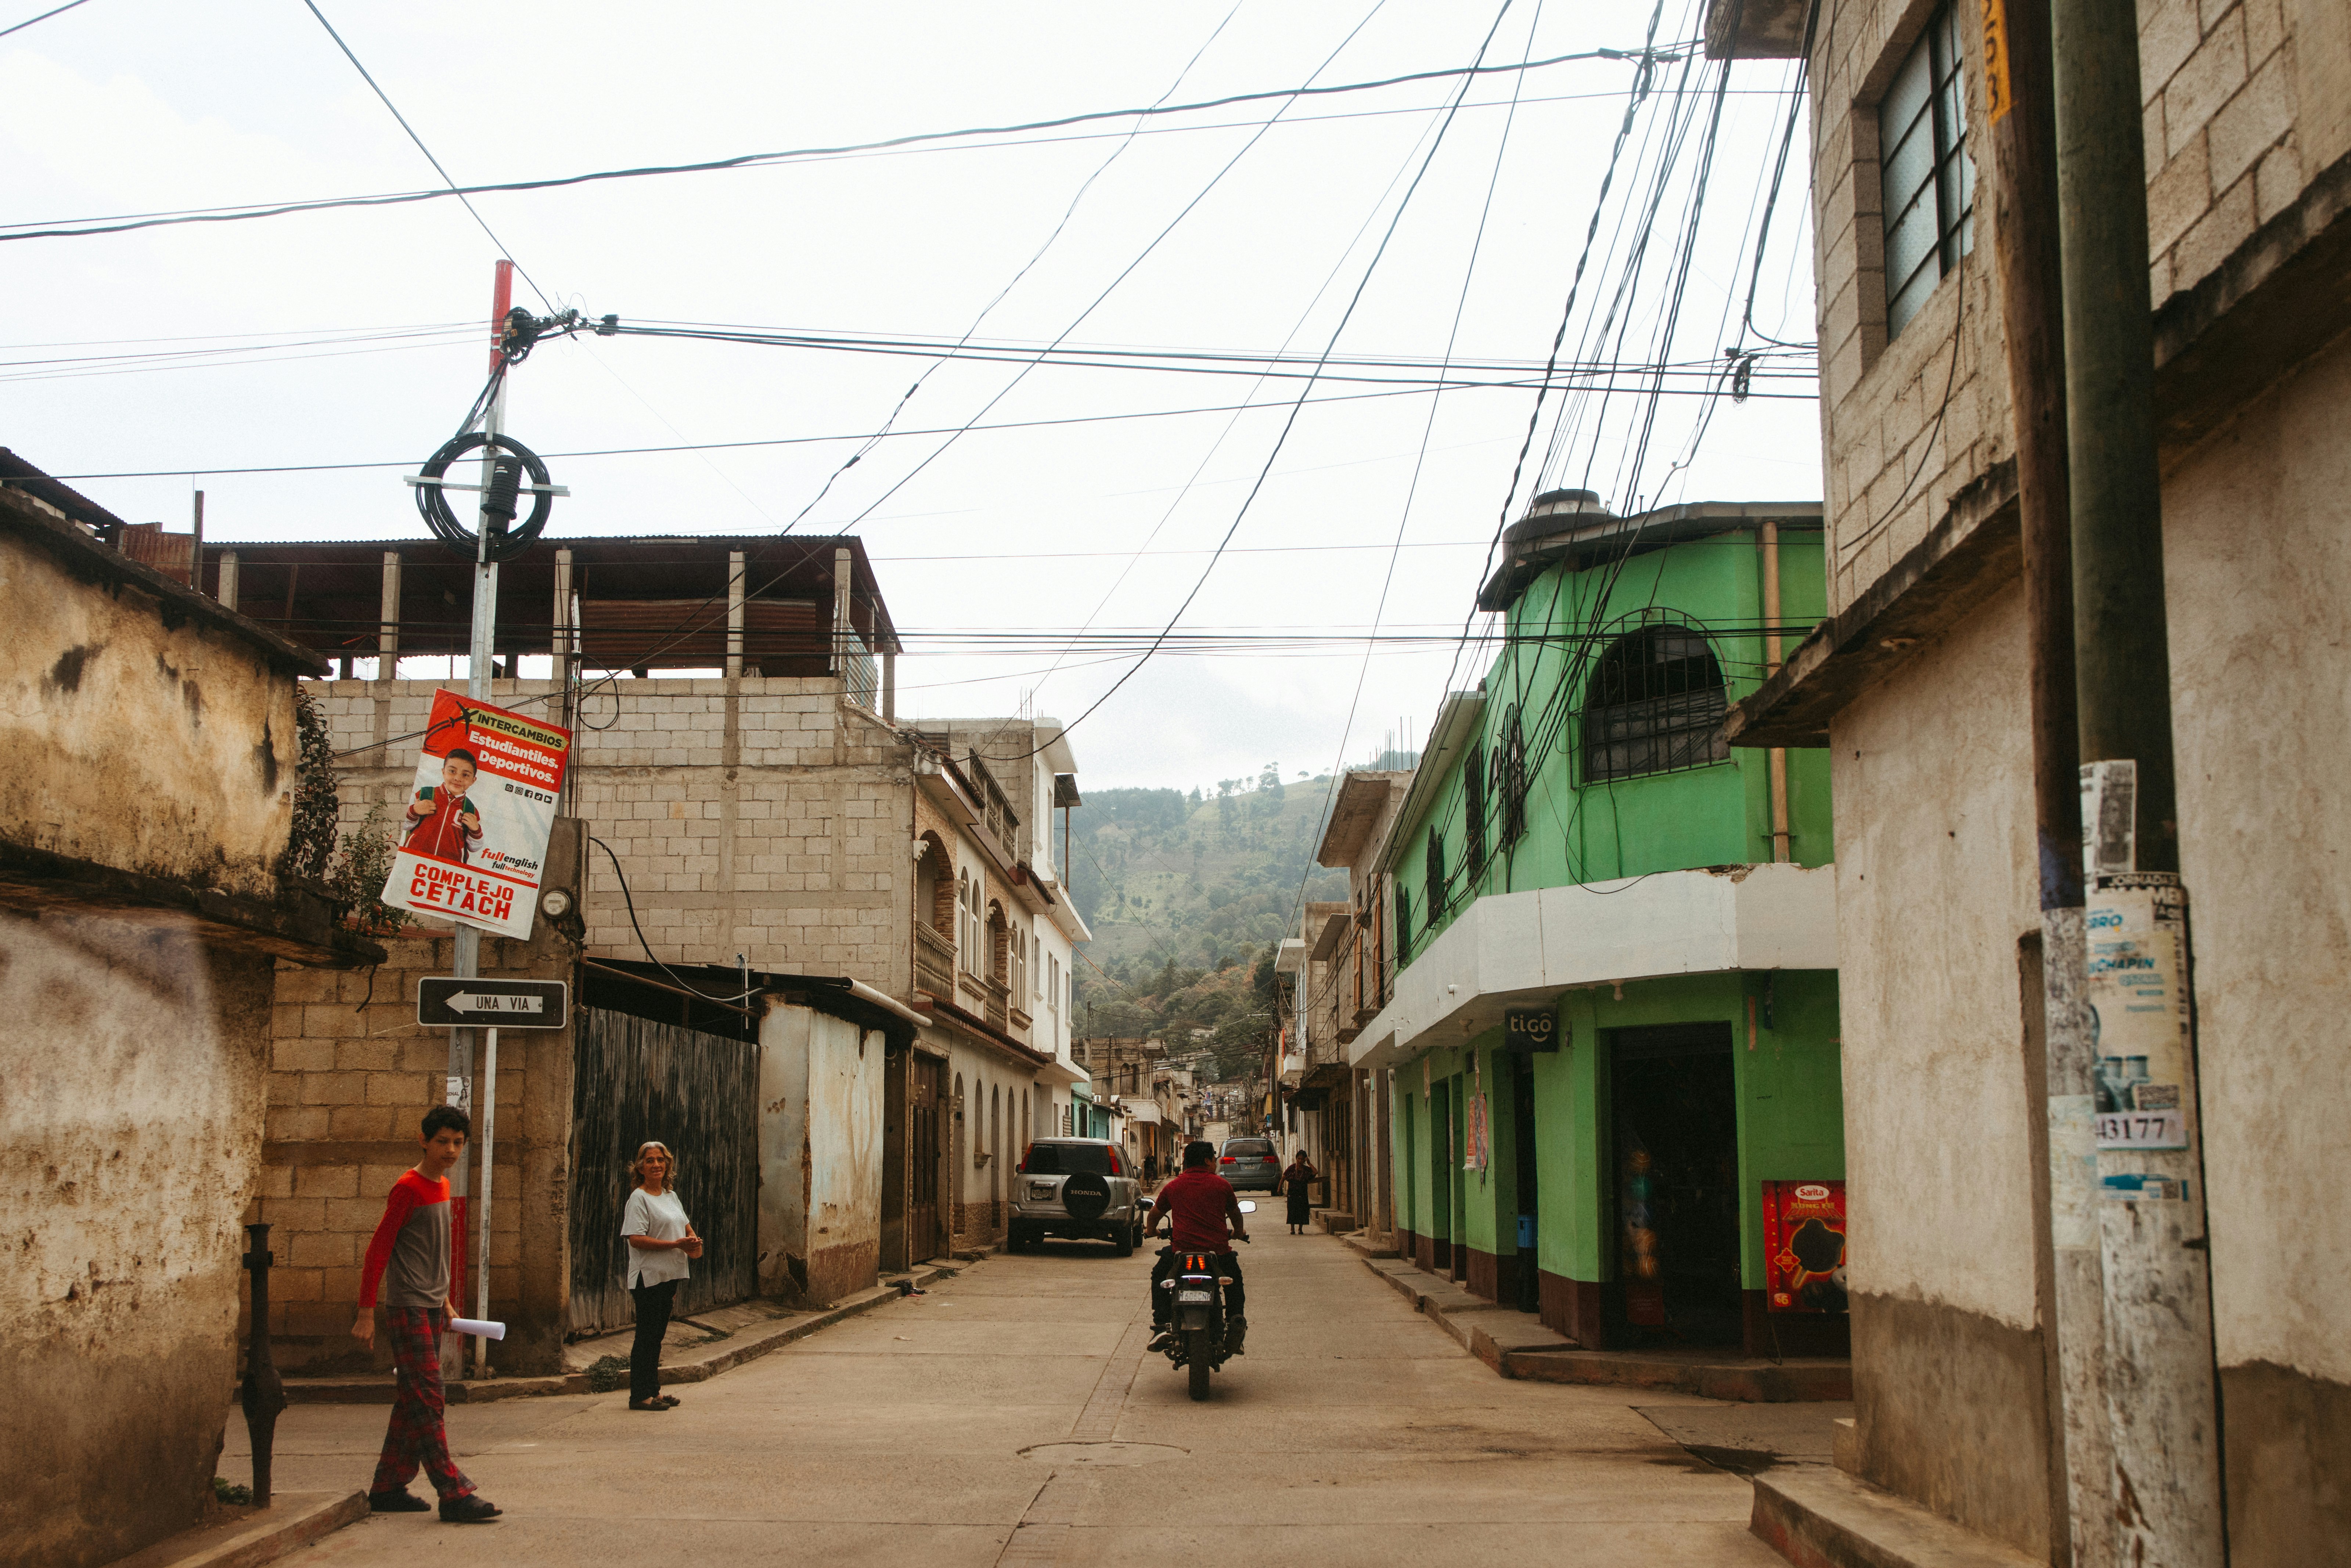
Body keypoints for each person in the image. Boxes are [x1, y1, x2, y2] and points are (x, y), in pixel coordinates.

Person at [353, 1105, 500, 1524]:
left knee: (412, 1400)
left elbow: (432, 1253)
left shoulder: (441, 1186)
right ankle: (452, 1492)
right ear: (423, 1141)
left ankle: (386, 1486)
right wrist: (366, 1313)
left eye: (458, 1143)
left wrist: (447, 1300)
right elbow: (378, 1250)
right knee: (429, 1398)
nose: (451, 1150)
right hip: (408, 1308)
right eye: (442, 1142)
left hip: (433, 1307)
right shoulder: (408, 1187)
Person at [1146, 1140, 1249, 1355]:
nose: (1216, 1163)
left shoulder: (1173, 1186)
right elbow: (1236, 1215)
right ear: (1206, 1161)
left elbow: (1155, 1214)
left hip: (1180, 1254)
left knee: (1159, 1276)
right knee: (1234, 1282)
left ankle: (1161, 1326)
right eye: (1214, 1159)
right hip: (1218, 1254)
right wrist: (1238, 1233)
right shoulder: (1223, 1186)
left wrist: (1151, 1231)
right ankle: (1235, 1324)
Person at [622, 1140, 702, 1412]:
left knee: (656, 1337)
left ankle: (653, 1392)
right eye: (650, 1160)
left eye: (660, 1160)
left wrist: (692, 1241)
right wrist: (675, 1245)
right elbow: (636, 1239)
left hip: (669, 1276)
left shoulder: (671, 1196)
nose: (656, 1165)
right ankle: (639, 1396)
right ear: (640, 1167)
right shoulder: (639, 1198)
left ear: (667, 1164)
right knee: (646, 1336)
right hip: (648, 1277)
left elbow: (686, 1227)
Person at [403, 747, 484, 864]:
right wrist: (415, 810)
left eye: (465, 775)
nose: (458, 778)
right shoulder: (425, 794)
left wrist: (475, 830)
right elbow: (405, 826)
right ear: (443, 772)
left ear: (473, 780)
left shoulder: (471, 810)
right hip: (414, 861)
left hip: (448, 870)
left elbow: (475, 847)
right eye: (452, 771)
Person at [1281, 1150, 1320, 1234]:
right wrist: (1279, 1188)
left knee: (1302, 1210)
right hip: (1293, 1192)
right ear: (1296, 1159)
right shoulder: (1292, 1168)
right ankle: (1292, 1228)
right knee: (1292, 1210)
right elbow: (1284, 1177)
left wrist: (1309, 1163)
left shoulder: (1306, 1170)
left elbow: (1316, 1172)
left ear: (1305, 1160)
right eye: (1299, 1159)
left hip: (1302, 1192)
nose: (1300, 1161)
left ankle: (1300, 1229)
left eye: (1302, 1159)